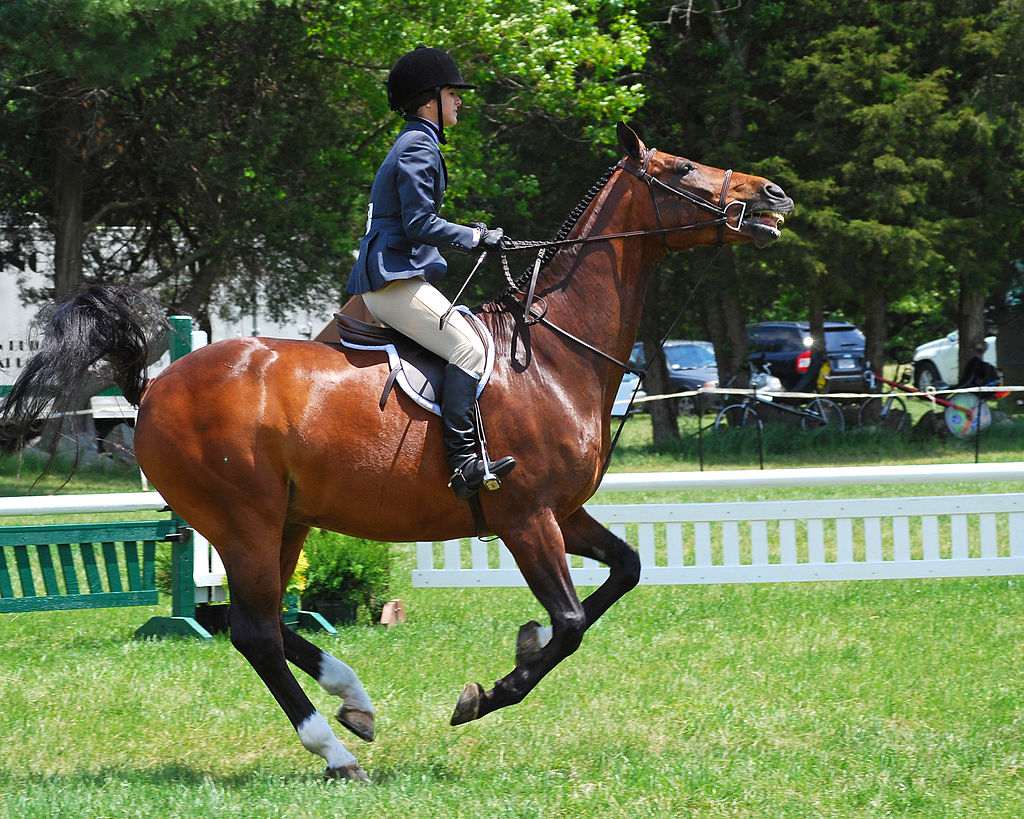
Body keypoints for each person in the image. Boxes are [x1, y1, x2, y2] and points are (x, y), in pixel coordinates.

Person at [346, 46, 516, 500]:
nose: (459, 101)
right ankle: (463, 465)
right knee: (469, 349)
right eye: (452, 93)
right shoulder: (418, 145)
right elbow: (419, 223)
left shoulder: (418, 142)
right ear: (429, 100)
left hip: (396, 275)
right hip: (393, 279)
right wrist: (474, 237)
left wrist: (472, 232)